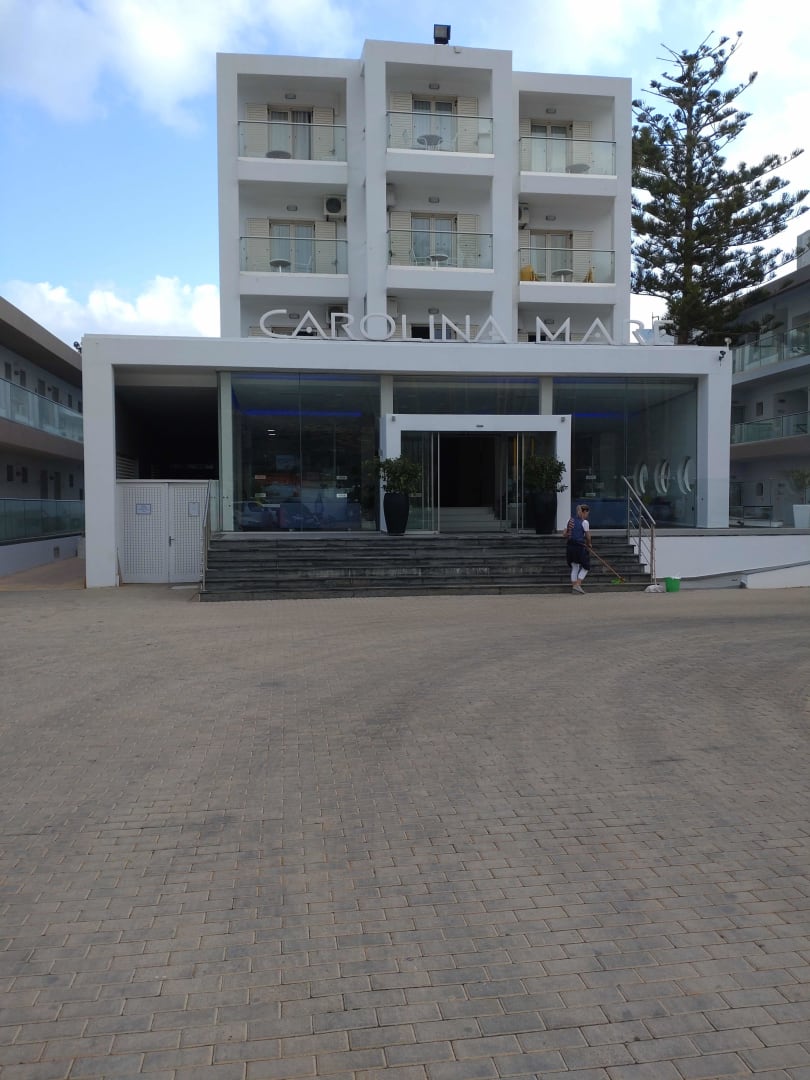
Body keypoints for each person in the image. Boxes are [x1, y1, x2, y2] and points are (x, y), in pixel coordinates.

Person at [564, 503, 592, 594]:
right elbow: (588, 536)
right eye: (587, 513)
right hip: (579, 547)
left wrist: (569, 534)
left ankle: (574, 588)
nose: (587, 515)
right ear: (584, 512)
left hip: (570, 546)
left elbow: (564, 534)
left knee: (575, 567)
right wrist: (589, 544)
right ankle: (577, 585)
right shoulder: (585, 522)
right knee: (586, 566)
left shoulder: (569, 520)